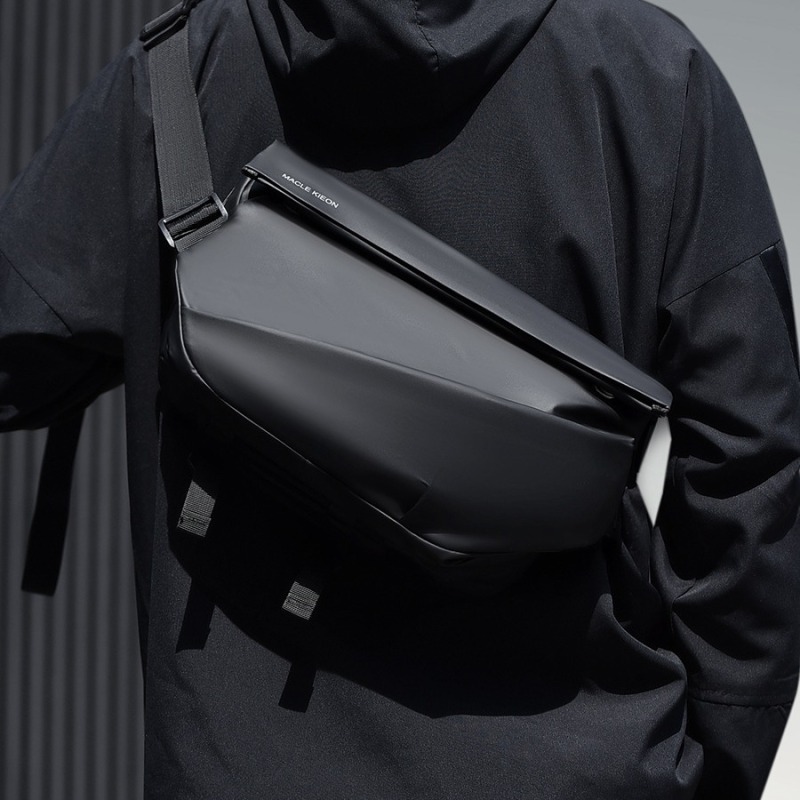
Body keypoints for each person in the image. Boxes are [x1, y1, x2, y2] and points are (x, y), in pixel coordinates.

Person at [1, 0, 799, 797]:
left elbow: (23, 333)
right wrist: (712, 765)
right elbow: (752, 464)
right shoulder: (656, 75)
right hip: (578, 762)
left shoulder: (188, 62)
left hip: (235, 763)